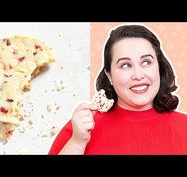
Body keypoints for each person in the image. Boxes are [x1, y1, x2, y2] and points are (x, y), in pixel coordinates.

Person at [48, 24, 187, 155]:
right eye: (125, 65)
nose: (138, 75)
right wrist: (78, 142)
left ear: (159, 67)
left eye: (146, 62)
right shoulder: (81, 128)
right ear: (109, 75)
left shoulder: (184, 127)